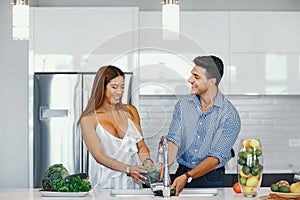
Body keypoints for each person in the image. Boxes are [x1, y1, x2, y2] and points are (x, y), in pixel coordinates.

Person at [166, 55, 241, 195]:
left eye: (196, 77)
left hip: (211, 177)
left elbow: (215, 158)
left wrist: (188, 176)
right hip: (182, 172)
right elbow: (174, 139)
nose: (190, 80)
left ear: (212, 82)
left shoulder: (229, 115)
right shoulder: (183, 105)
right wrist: (164, 167)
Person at [79, 65, 154, 189]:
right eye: (114, 87)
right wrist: (128, 169)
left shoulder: (130, 112)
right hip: (104, 189)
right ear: (101, 88)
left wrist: (147, 161)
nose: (119, 92)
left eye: (122, 87)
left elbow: (141, 146)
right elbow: (99, 156)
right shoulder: (88, 119)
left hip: (133, 189)